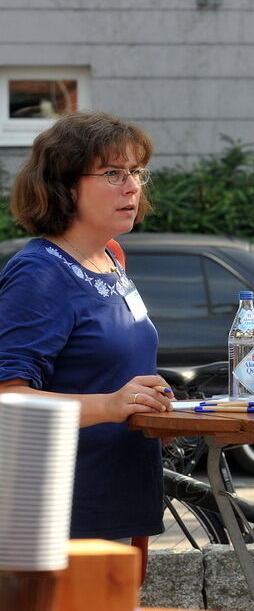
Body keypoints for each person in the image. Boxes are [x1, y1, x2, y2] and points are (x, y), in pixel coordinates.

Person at [0, 111, 172, 575]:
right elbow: (8, 400)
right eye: (113, 173)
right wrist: (111, 405)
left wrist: (150, 405)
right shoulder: (40, 273)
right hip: (63, 511)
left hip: (121, 493)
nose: (132, 186)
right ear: (64, 185)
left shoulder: (111, 257)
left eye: (136, 172)